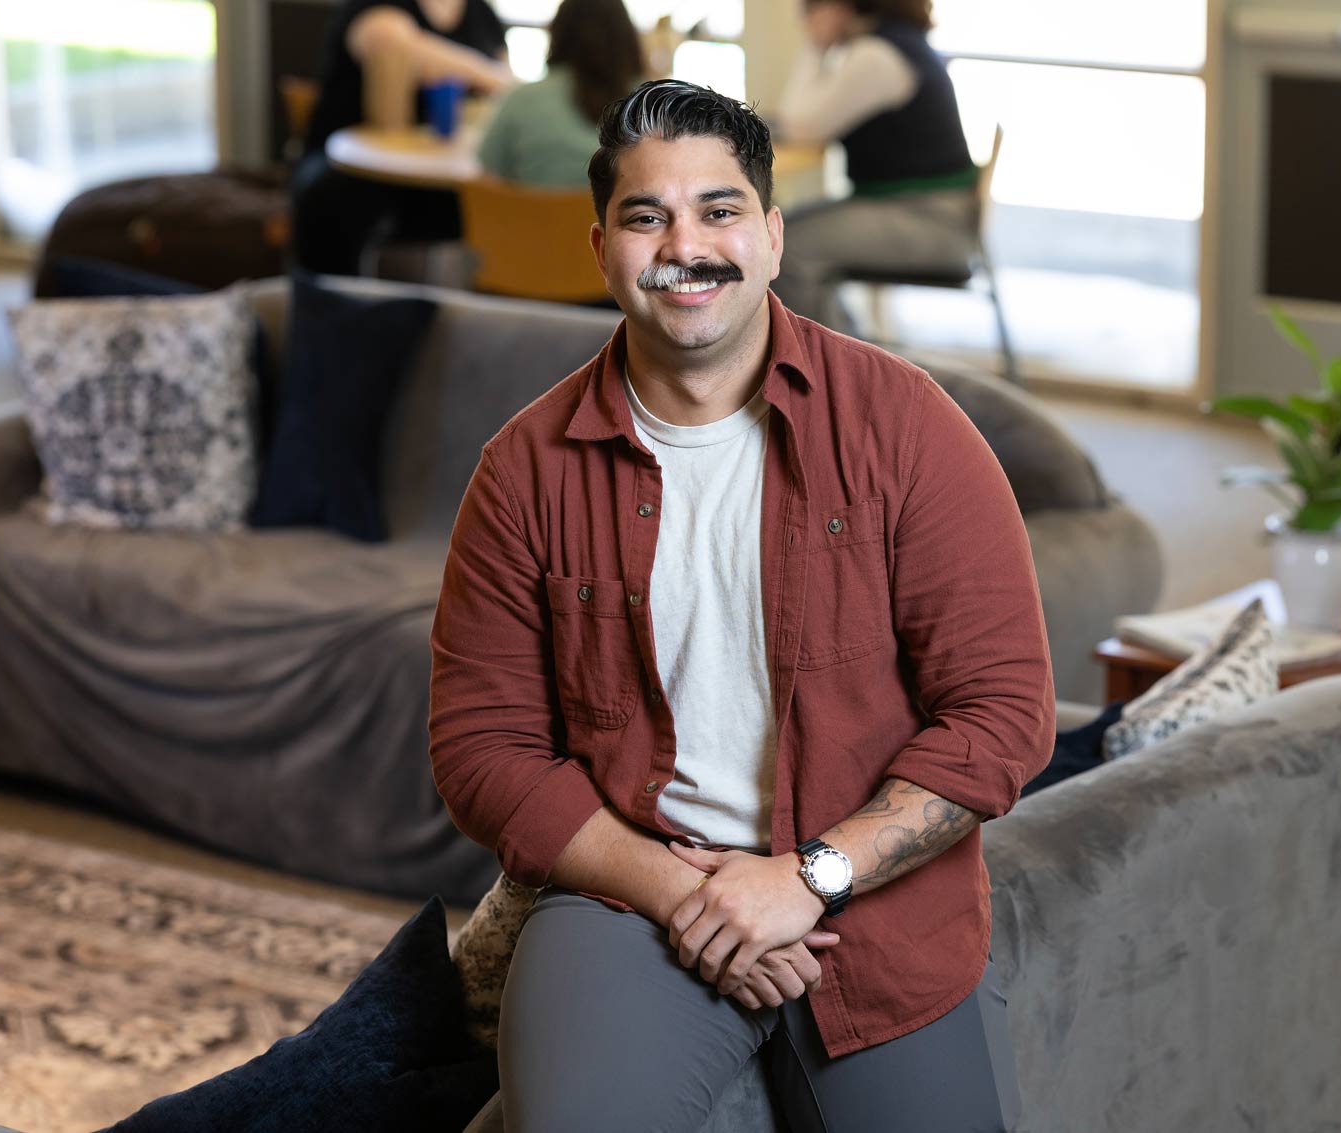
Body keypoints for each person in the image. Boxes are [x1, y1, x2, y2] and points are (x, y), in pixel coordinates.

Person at [429, 79, 1052, 1132]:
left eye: (718, 210)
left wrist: (805, 878)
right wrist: (688, 894)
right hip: (631, 892)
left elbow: (1002, 712)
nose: (686, 244)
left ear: (770, 237)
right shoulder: (524, 470)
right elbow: (482, 749)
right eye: (647, 216)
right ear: (602, 251)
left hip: (871, 893)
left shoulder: (907, 428)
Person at [770, 0, 978, 332]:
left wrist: (815, 46)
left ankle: (833, 358)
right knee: (783, 231)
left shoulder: (876, 55)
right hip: (932, 213)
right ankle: (847, 347)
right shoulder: (898, 41)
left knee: (782, 245)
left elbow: (799, 125)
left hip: (929, 222)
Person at [292, 0, 511, 275]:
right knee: (335, 198)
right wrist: (490, 76)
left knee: (500, 203)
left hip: (441, 173)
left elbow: (504, 92)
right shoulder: (374, 7)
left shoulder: (481, 13)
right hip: (349, 164)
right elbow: (391, 42)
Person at [474, 0, 644, 186]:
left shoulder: (521, 99)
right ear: (628, 37)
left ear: (557, 33)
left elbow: (486, 178)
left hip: (533, 205)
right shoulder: (649, 104)